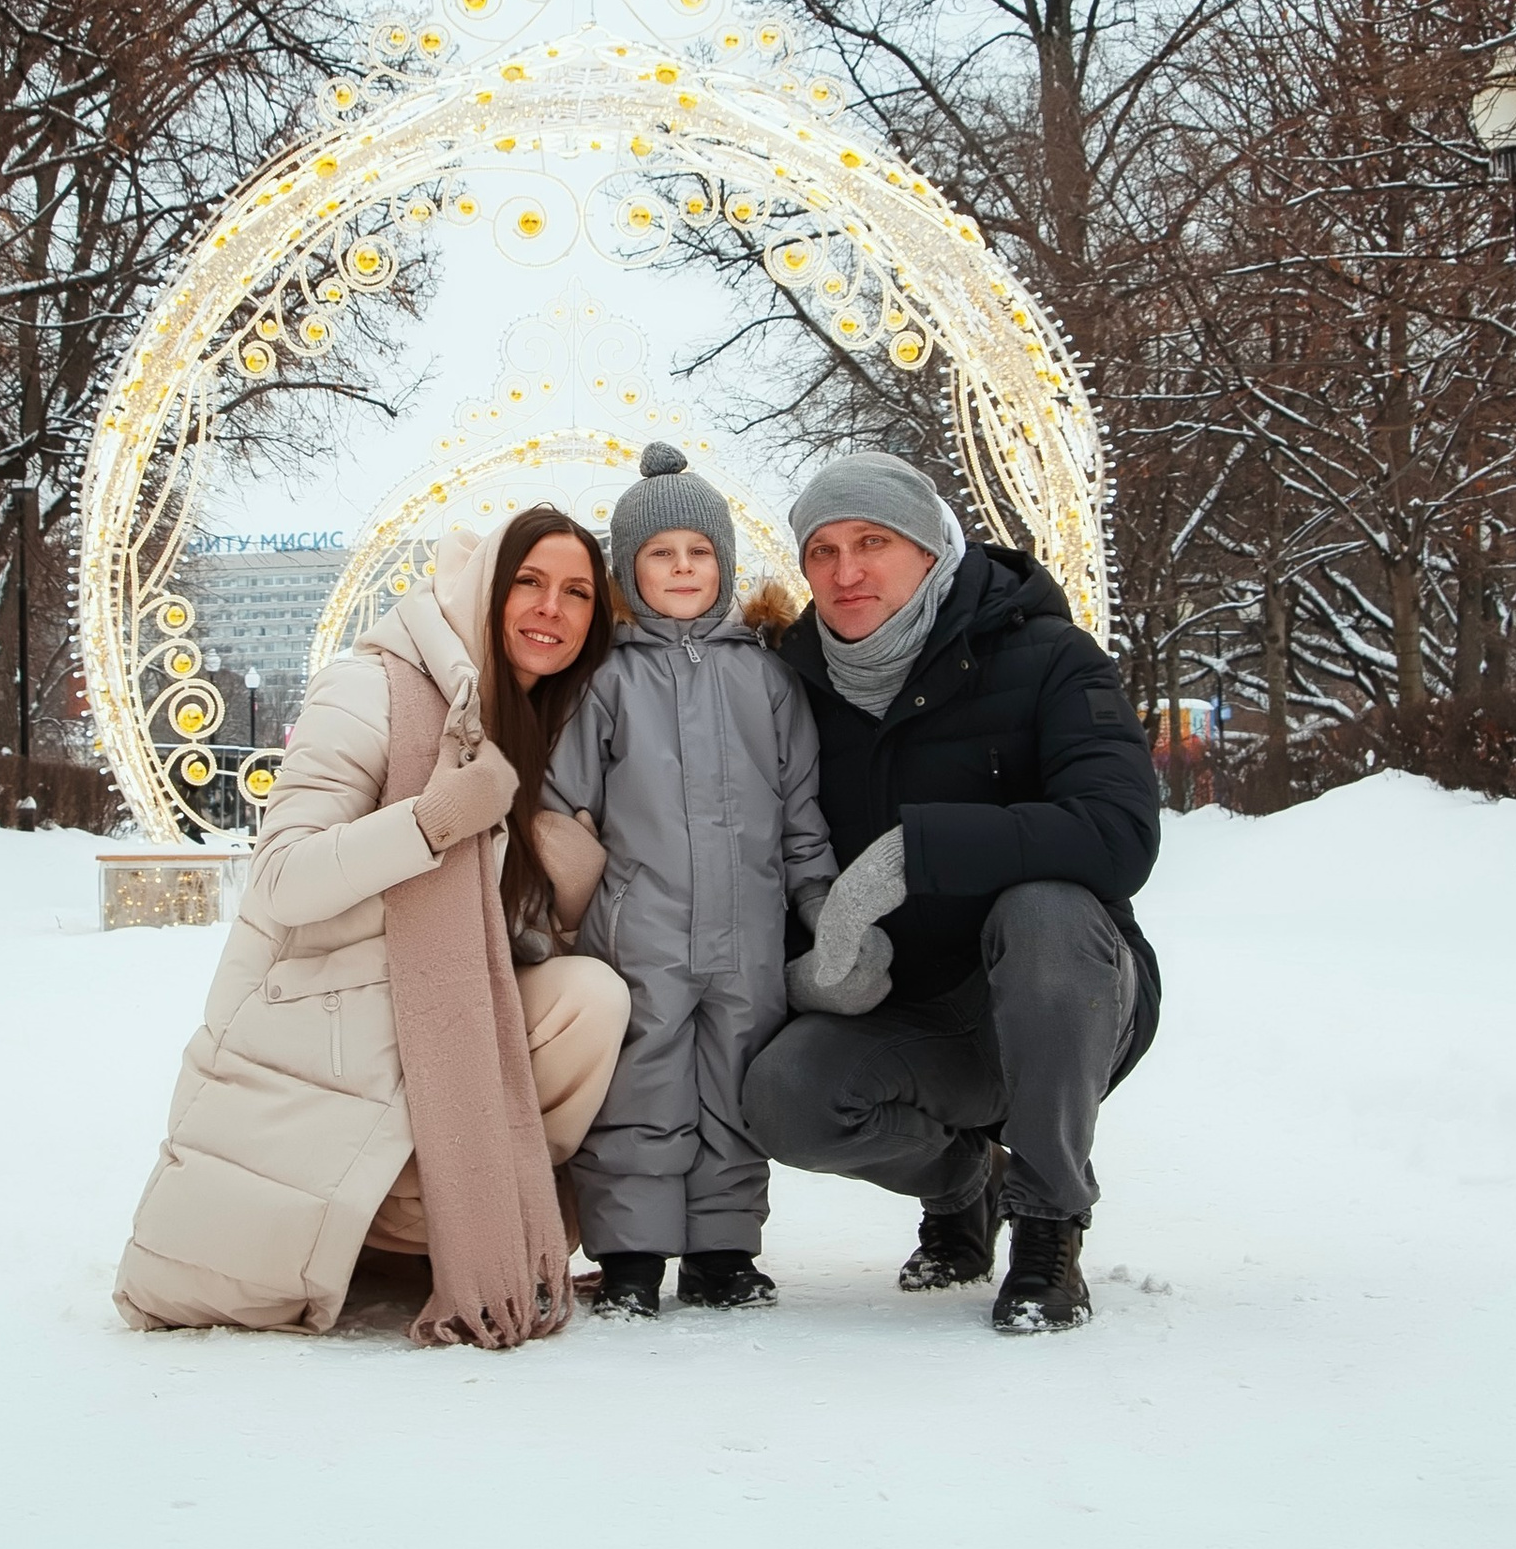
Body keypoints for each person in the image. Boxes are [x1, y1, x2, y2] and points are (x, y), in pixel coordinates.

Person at [114, 506, 630, 1349]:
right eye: (528, 582)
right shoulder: (372, 688)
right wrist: (430, 823)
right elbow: (281, 879)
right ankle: (410, 1218)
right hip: (327, 1037)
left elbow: (497, 942)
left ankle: (454, 1212)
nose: (551, 608)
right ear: (486, 589)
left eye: (577, 593)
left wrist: (557, 869)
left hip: (435, 1042)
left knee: (591, 999)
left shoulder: (536, 731)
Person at [741, 453, 1162, 1335]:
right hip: (913, 1015)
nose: (845, 571)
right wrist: (816, 952)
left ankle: (1048, 1226)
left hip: (1065, 994)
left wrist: (917, 851)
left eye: (872, 542)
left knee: (1043, 906)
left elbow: (1119, 835)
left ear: (931, 550)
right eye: (821, 551)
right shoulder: (790, 688)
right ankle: (966, 1182)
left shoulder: (1050, 658)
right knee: (786, 1094)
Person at [547, 445, 837, 1320]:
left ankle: (722, 1251)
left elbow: (800, 814)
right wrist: (550, 917)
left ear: (725, 563)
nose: (682, 568)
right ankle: (632, 1254)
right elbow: (563, 810)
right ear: (629, 573)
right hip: (642, 930)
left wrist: (819, 909)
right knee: (642, 1086)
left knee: (734, 1088)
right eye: (660, 554)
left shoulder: (768, 678)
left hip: (746, 933)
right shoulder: (606, 680)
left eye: (698, 552)